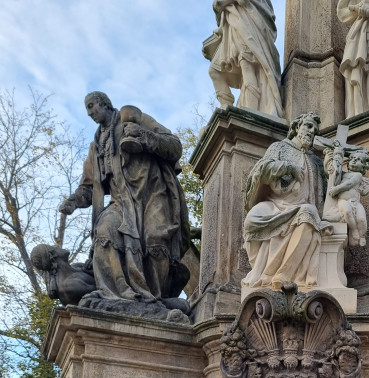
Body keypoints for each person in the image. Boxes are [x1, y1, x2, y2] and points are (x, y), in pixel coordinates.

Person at [59, 92, 190, 311]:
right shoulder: (97, 146)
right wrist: (74, 201)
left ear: (105, 103)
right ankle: (115, 296)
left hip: (153, 194)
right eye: (87, 109)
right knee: (104, 231)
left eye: (92, 106)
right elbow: (90, 186)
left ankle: (154, 301)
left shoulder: (135, 118)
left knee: (155, 240)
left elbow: (174, 146)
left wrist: (143, 136)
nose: (90, 112)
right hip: (121, 202)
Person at [242, 114, 329, 290]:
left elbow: (327, 191)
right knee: (251, 220)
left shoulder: (316, 162)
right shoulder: (280, 147)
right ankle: (264, 272)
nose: (311, 132)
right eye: (308, 126)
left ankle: (281, 275)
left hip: (300, 208)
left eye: (314, 130)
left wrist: (334, 164)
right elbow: (261, 170)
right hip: (275, 204)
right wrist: (289, 167)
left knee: (309, 213)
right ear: (297, 127)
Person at [203, 0, 284, 118]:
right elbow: (219, 10)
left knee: (247, 67)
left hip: (247, 25)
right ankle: (225, 105)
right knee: (214, 71)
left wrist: (220, 4)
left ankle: (250, 111)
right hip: (231, 28)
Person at [324, 150, 369, 247]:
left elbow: (349, 184)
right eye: (352, 159)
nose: (354, 161)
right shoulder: (343, 174)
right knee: (346, 212)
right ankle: (354, 230)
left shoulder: (358, 175)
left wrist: (337, 189)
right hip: (342, 201)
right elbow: (330, 173)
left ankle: (362, 235)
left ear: (363, 166)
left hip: (355, 203)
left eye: (358, 159)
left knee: (362, 219)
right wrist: (328, 159)